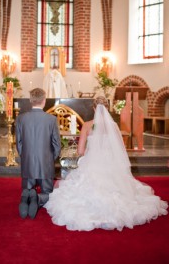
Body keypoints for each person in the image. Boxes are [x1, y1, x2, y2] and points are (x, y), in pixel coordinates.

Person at [45, 96, 168, 231]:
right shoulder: (114, 126)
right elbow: (120, 149)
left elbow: (80, 151)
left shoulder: (87, 125)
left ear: (93, 108)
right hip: (111, 165)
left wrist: (89, 151)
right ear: (107, 108)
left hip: (92, 166)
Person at [16, 88, 61, 219]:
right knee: (49, 194)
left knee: (27, 188)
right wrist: (50, 159)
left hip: (27, 163)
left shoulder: (21, 118)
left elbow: (18, 142)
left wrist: (24, 157)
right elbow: (57, 144)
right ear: (44, 101)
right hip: (45, 165)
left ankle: (28, 195)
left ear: (31, 100)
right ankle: (39, 197)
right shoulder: (51, 119)